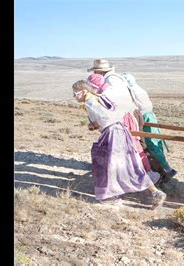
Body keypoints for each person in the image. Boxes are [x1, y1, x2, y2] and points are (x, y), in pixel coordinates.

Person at [72, 80, 166, 209]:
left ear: (83, 92)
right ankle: (155, 193)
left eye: (75, 94)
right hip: (120, 131)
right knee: (131, 164)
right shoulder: (99, 98)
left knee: (107, 164)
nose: (74, 97)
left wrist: (94, 125)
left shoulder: (90, 102)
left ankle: (109, 196)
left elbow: (105, 118)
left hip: (112, 133)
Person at [87, 59, 178, 180]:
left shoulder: (110, 81)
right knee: (150, 142)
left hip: (136, 114)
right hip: (142, 112)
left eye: (96, 71)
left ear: (99, 71)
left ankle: (158, 170)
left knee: (146, 144)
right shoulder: (119, 79)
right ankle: (159, 169)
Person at [86, 74, 161, 184]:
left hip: (122, 122)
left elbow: (108, 115)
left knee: (131, 150)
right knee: (136, 147)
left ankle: (139, 176)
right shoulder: (113, 89)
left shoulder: (105, 95)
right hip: (130, 118)